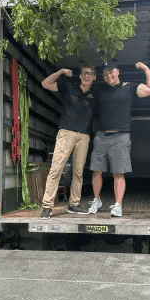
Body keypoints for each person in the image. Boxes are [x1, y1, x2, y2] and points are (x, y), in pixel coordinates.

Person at [88, 61, 150, 217]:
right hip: (101, 135)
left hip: (121, 136)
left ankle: (118, 205)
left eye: (111, 72)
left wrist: (146, 68)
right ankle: (96, 200)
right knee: (96, 171)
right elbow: (84, 90)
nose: (108, 76)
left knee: (118, 173)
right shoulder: (99, 89)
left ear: (117, 72)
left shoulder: (129, 87)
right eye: (105, 74)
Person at [40, 65, 97, 219]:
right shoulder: (68, 85)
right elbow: (45, 83)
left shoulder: (95, 94)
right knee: (57, 168)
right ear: (80, 75)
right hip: (66, 133)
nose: (86, 76)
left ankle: (74, 204)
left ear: (94, 77)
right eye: (84, 73)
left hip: (84, 136)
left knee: (78, 172)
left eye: (90, 74)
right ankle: (47, 206)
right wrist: (60, 72)